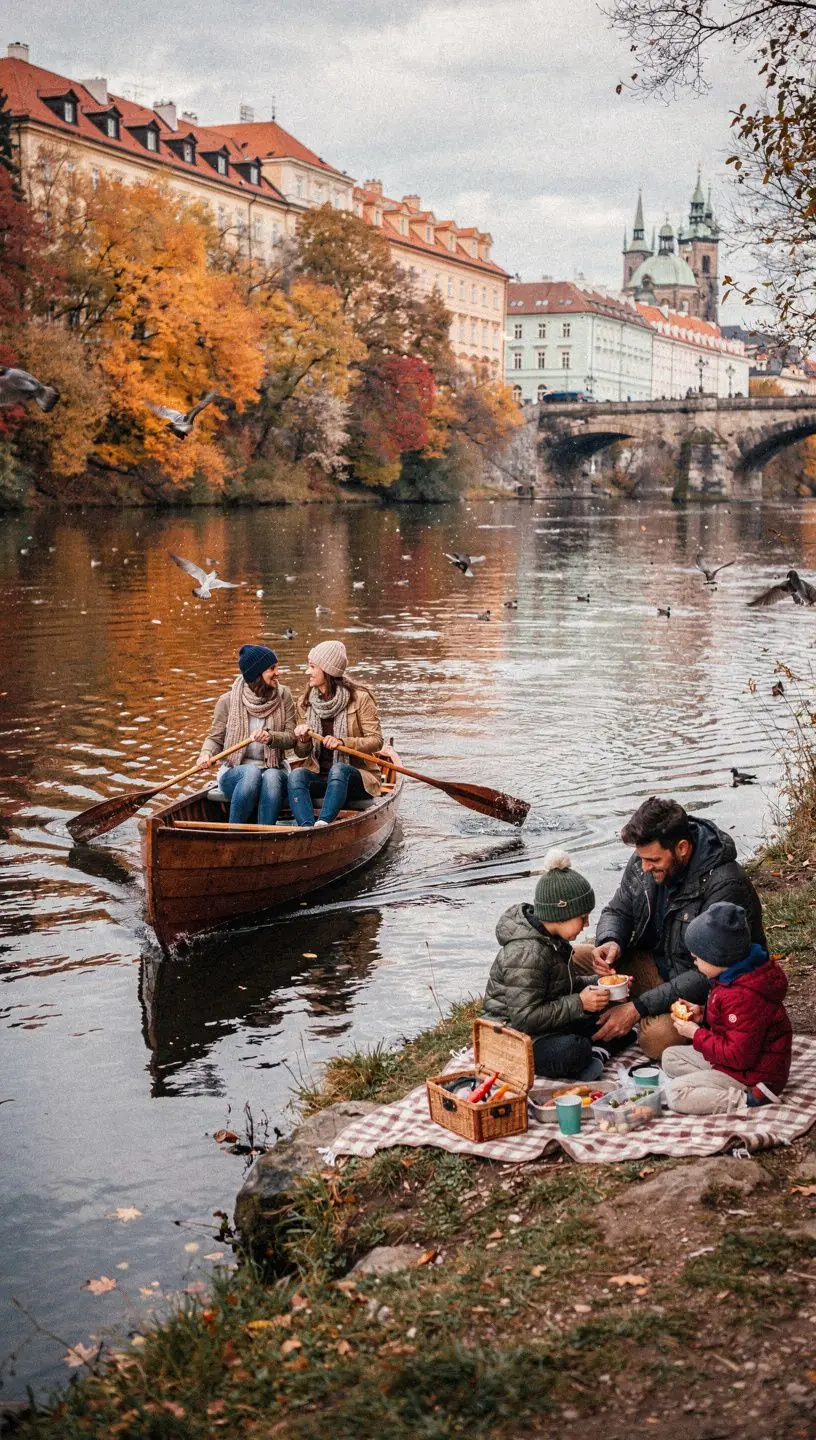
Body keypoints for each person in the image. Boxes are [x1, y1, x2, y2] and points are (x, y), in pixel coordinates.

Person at [588, 797, 766, 1060]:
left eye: (653, 860)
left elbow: (707, 975)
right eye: (641, 859)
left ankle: (633, 1016)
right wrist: (610, 940)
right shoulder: (643, 861)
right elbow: (618, 910)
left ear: (681, 847)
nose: (645, 867)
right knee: (577, 957)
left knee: (658, 1040)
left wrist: (637, 1009)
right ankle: (623, 1013)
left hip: (704, 992)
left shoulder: (725, 885)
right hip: (655, 966)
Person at [483, 850, 634, 1081]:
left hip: (545, 1027)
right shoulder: (527, 953)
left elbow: (563, 986)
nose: (587, 924)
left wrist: (602, 986)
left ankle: (595, 1052)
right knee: (574, 1050)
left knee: (616, 1026)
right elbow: (525, 1017)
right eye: (582, 917)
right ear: (561, 912)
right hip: (513, 1037)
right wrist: (579, 1003)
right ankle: (592, 1053)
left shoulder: (553, 941)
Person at [663, 902, 792, 1114]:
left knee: (675, 1093)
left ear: (718, 957)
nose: (694, 963)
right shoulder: (734, 977)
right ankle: (707, 1085)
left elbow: (738, 1056)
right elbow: (736, 1024)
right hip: (739, 1064)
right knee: (670, 1057)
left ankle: (746, 1100)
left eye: (697, 958)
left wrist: (696, 1034)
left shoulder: (742, 996)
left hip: (753, 1077)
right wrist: (701, 1013)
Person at [194, 644, 296, 825]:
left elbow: (291, 738)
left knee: (271, 777)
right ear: (257, 674)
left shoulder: (284, 696)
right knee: (250, 774)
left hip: (274, 768)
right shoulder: (227, 701)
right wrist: (206, 753)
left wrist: (272, 738)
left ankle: (265, 837)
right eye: (272, 668)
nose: (278, 673)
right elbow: (215, 738)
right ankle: (235, 834)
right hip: (236, 770)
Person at [288, 641, 383, 828]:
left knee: (338, 769)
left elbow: (377, 741)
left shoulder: (360, 698)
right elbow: (300, 754)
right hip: (320, 776)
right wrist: (303, 740)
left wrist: (343, 742)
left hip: (355, 779)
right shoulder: (304, 702)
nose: (308, 672)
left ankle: (323, 825)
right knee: (296, 775)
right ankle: (307, 828)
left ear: (327, 670)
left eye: (312, 667)